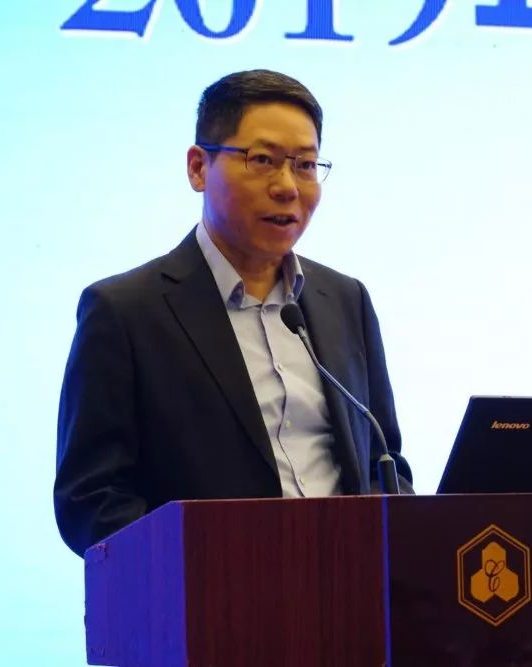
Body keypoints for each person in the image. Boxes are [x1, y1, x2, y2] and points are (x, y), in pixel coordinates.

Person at [53, 69, 413, 558]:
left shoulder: (345, 299)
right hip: (213, 590)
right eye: (262, 160)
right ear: (198, 168)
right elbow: (91, 499)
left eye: (306, 165)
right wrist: (202, 569)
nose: (287, 186)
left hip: (349, 585)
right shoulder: (126, 311)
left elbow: (384, 461)